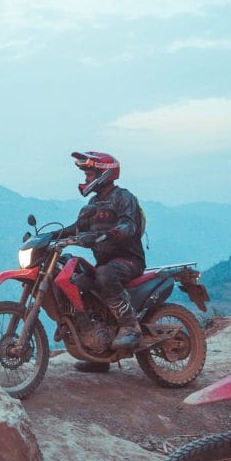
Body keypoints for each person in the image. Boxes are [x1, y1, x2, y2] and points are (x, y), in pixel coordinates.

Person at [58, 151, 147, 373]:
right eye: (86, 175)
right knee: (76, 285)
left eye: (89, 174)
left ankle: (130, 327)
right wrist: (49, 237)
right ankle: (96, 349)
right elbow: (76, 229)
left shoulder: (123, 197)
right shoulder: (94, 203)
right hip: (105, 264)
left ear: (104, 174)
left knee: (105, 275)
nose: (86, 179)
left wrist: (109, 233)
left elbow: (129, 225)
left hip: (129, 261)